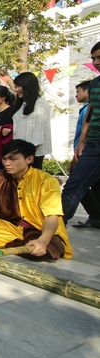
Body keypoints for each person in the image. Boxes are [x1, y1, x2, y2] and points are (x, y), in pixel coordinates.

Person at [63, 41, 100, 228]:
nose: (96, 61)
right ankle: (54, 229)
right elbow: (90, 114)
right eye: (93, 58)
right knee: (73, 186)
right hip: (93, 145)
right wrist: (82, 142)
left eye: (99, 57)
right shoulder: (94, 84)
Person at [2, 72, 52, 170]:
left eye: (19, 86)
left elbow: (37, 137)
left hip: (31, 155)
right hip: (20, 153)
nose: (17, 90)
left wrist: (24, 155)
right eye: (16, 87)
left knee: (31, 183)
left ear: (28, 85)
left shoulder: (40, 105)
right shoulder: (22, 105)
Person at [69, 81, 100, 228]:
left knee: (83, 184)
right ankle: (95, 215)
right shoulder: (87, 108)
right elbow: (85, 127)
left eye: (78, 91)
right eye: (93, 58)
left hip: (89, 148)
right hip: (88, 148)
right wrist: (80, 145)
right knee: (75, 186)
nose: (76, 95)